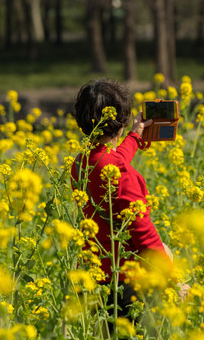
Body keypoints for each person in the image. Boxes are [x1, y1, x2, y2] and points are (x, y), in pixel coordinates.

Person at [70, 79, 173, 327]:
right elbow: (143, 233)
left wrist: (134, 137)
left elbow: (111, 159)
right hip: (128, 283)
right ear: (122, 120)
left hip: (95, 276)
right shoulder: (120, 172)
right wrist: (173, 279)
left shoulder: (81, 162)